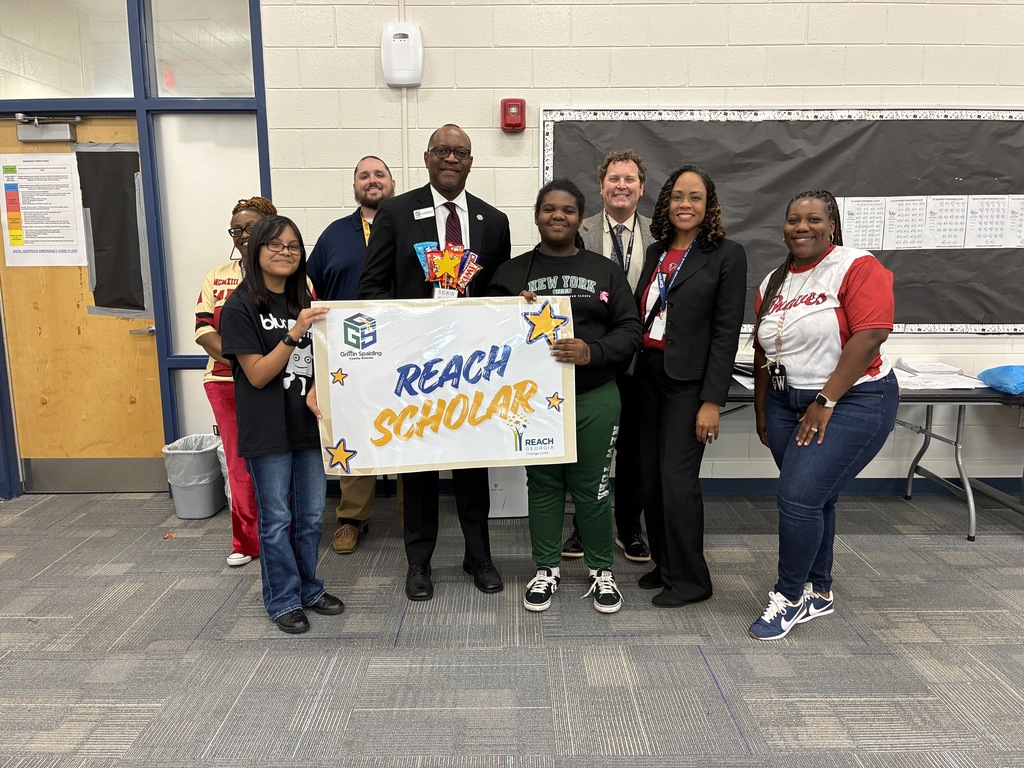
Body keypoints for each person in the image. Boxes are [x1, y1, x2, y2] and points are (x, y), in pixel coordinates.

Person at [359, 124, 512, 602]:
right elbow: (372, 288)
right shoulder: (396, 212)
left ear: (470, 162)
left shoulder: (493, 220)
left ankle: (478, 555)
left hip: (472, 367)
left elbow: (499, 295)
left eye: (460, 152)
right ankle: (419, 562)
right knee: (419, 466)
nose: (451, 158)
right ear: (427, 158)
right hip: (415, 366)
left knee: (472, 463)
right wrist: (400, 340)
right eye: (443, 151)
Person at [748, 190, 898, 641]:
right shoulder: (772, 281)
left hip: (852, 401)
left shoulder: (856, 265)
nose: (802, 227)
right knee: (815, 499)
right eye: (794, 220)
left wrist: (826, 401)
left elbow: (870, 335)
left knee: (797, 497)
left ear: (831, 224)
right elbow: (762, 352)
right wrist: (761, 410)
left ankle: (789, 597)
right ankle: (820, 590)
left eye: (814, 219)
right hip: (784, 402)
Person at [489, 179, 641, 614]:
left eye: (568, 210)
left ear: (580, 218)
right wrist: (509, 314)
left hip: (593, 394)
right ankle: (546, 569)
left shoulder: (605, 270)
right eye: (549, 209)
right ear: (537, 215)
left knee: (593, 487)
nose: (558, 216)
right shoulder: (510, 273)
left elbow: (630, 330)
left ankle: (600, 570)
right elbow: (484, 336)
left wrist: (593, 351)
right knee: (543, 485)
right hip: (533, 401)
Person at [220, 215, 344, 634]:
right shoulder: (240, 306)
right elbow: (256, 374)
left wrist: (316, 387)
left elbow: (321, 361)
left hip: (307, 425)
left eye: (293, 246)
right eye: (274, 245)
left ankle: (309, 588)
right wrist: (293, 334)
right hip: (267, 429)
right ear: (254, 250)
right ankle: (282, 599)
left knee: (310, 517)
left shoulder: (302, 300)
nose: (285, 252)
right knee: (276, 520)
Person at [635, 165, 748, 607]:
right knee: (651, 478)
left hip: (688, 385)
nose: (685, 204)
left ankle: (692, 581)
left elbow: (725, 333)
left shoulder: (726, 254)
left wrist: (711, 402)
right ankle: (665, 567)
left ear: (708, 205)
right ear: (666, 202)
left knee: (677, 481)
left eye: (695, 197)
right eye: (678, 196)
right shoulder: (656, 251)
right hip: (647, 374)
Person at [563, 149, 652, 563]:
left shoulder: (661, 235)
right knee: (588, 446)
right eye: (614, 179)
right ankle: (583, 527)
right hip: (593, 356)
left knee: (634, 446)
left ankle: (629, 527)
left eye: (629, 179)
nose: (622, 186)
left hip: (643, 357)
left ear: (641, 188)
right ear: (601, 187)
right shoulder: (578, 231)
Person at [307, 155, 400, 555]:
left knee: (408, 426)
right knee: (354, 431)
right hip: (351, 351)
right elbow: (309, 288)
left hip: (402, 347)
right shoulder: (334, 235)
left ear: (392, 183)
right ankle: (351, 518)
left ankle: (412, 514)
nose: (372, 180)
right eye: (364, 175)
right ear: (354, 186)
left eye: (379, 174)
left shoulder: (411, 227)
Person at [194, 196, 276, 568]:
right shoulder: (217, 276)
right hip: (226, 382)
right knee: (239, 462)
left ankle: (281, 534)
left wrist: (263, 367)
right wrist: (244, 364)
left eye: (252, 228)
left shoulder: (291, 273)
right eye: (237, 230)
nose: (243, 235)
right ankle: (246, 540)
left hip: (278, 382)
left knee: (277, 459)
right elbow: (204, 331)